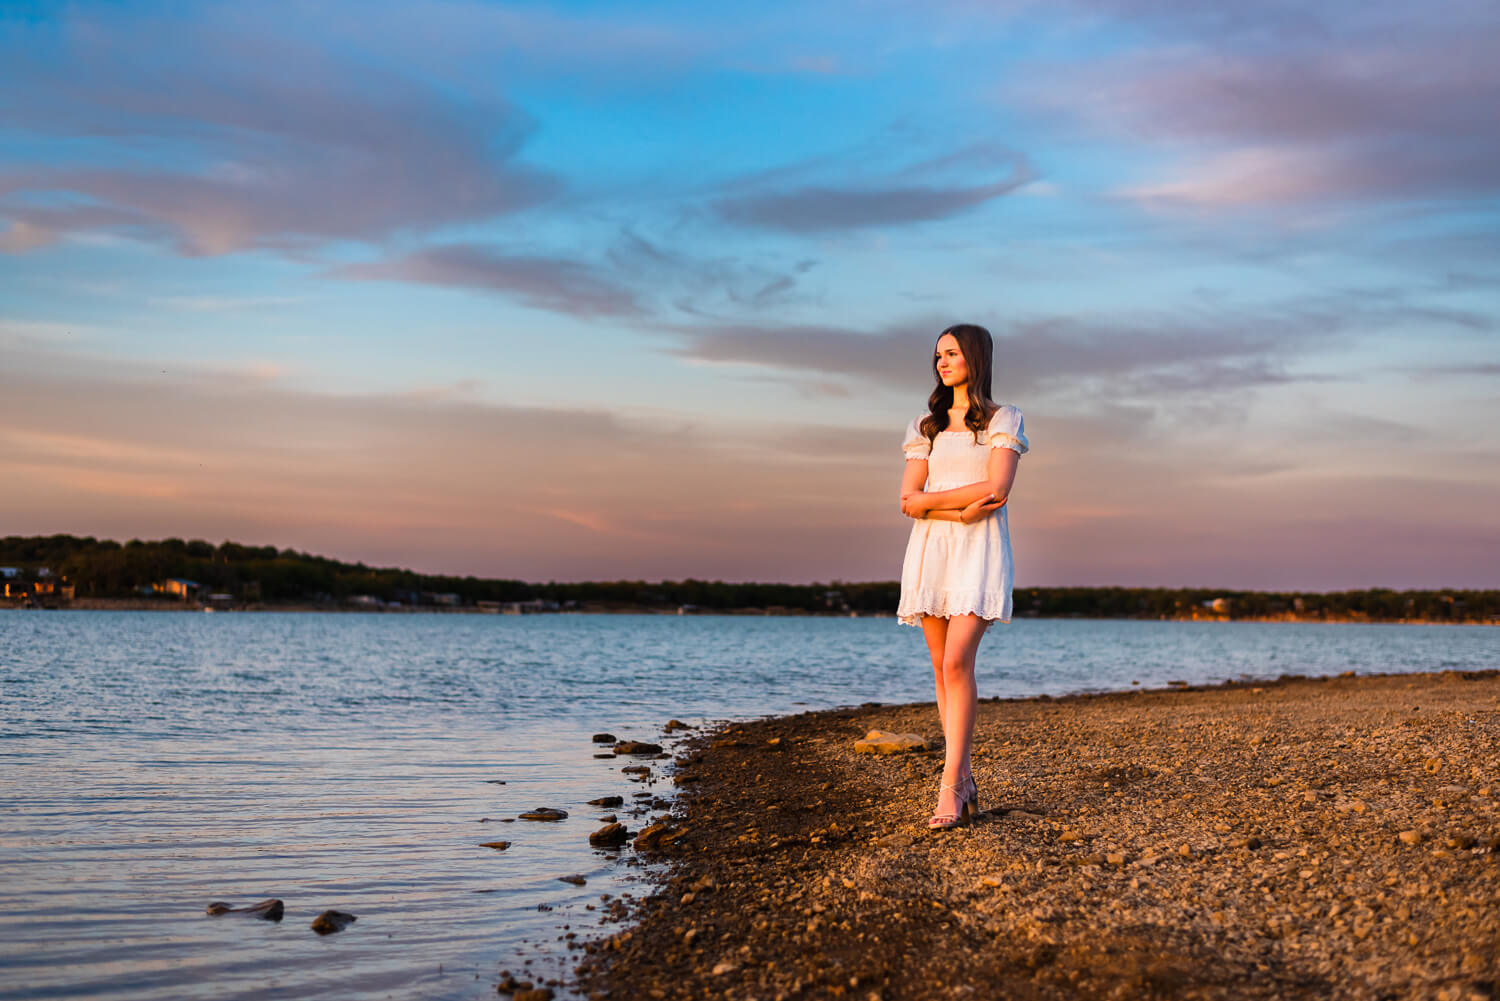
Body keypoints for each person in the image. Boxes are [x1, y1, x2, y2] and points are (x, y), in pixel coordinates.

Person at [897, 323, 1028, 830]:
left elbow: (996, 485)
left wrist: (930, 501)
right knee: (939, 666)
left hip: (980, 549)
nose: (942, 362)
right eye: (937, 355)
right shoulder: (923, 427)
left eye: (951, 353)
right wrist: (954, 510)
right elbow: (907, 500)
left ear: (975, 356)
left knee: (957, 662)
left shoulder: (1004, 419)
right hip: (935, 547)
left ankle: (950, 785)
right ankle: (964, 775)